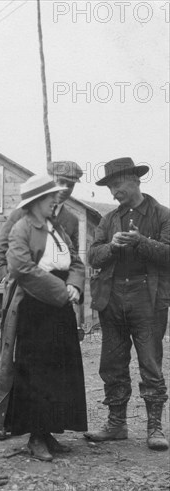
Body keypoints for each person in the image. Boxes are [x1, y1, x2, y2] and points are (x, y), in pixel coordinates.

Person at [0, 174, 87, 461]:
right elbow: (21, 267)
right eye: (49, 198)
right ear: (34, 203)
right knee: (37, 371)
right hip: (35, 309)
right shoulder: (22, 227)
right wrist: (60, 291)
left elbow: (77, 261)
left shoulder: (56, 229)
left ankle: (49, 432)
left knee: (59, 369)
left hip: (60, 310)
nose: (55, 201)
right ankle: (35, 436)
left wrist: (75, 285)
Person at [84, 158, 169, 451]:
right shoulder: (108, 220)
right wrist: (112, 246)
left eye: (117, 184)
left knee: (150, 362)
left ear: (135, 180)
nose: (113, 192)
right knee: (112, 363)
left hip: (149, 299)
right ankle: (116, 424)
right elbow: (93, 256)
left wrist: (140, 242)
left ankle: (154, 428)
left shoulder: (162, 215)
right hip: (112, 298)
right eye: (110, 187)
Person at [0, 160, 83, 284]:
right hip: (24, 285)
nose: (65, 188)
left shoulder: (72, 220)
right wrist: (3, 275)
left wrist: (73, 284)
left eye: (70, 185)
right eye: (61, 182)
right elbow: (2, 244)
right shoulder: (24, 211)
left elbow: (74, 259)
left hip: (57, 288)